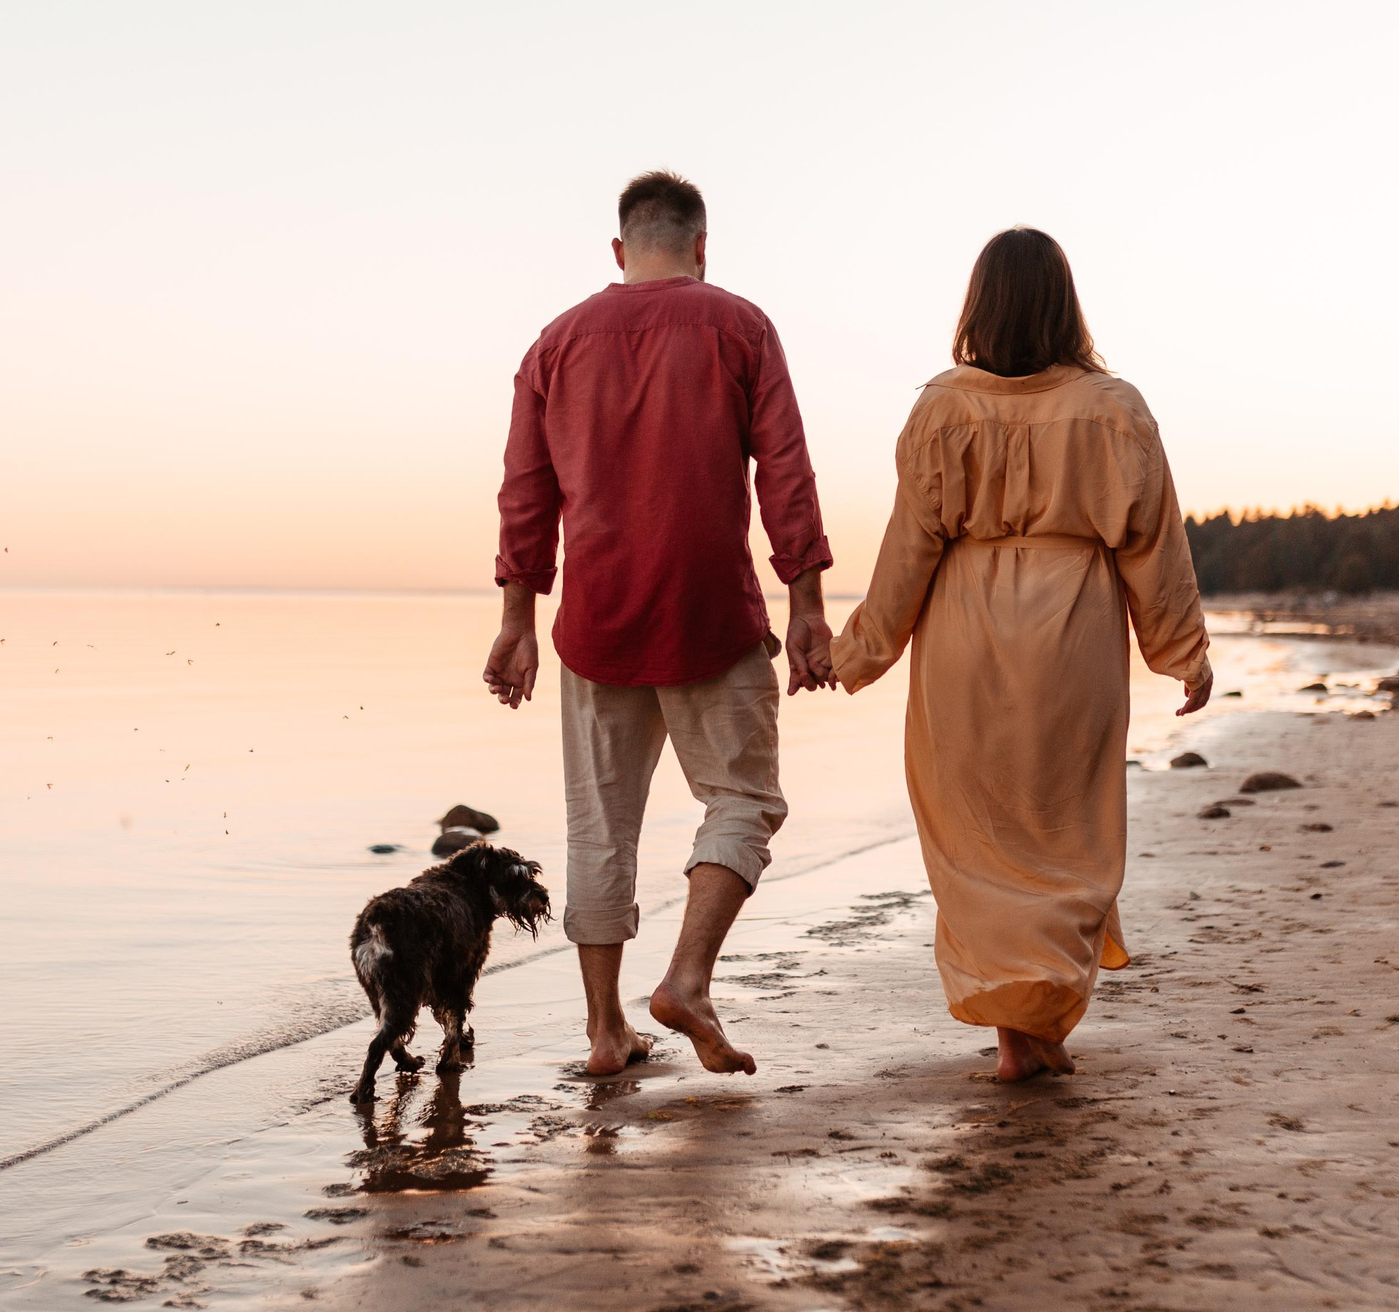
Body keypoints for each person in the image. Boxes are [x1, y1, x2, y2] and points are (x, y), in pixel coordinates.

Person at [832, 227, 1211, 1081]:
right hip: (1073, 627)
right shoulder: (1114, 408)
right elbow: (1155, 543)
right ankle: (1037, 1032)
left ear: (979, 307)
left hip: (965, 633)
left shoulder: (940, 409)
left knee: (979, 839)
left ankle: (1019, 1038)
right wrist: (1182, 650)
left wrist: (856, 653)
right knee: (1065, 833)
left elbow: (906, 555)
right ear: (1064, 305)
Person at [485, 171, 835, 1079]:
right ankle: (685, 976)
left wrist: (519, 617)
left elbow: (527, 494)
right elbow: (785, 471)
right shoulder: (741, 325)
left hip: (595, 622)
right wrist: (806, 601)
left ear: (618, 250)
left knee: (599, 828)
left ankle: (605, 1033)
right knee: (745, 798)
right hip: (711, 613)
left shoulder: (554, 345)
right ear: (701, 247)